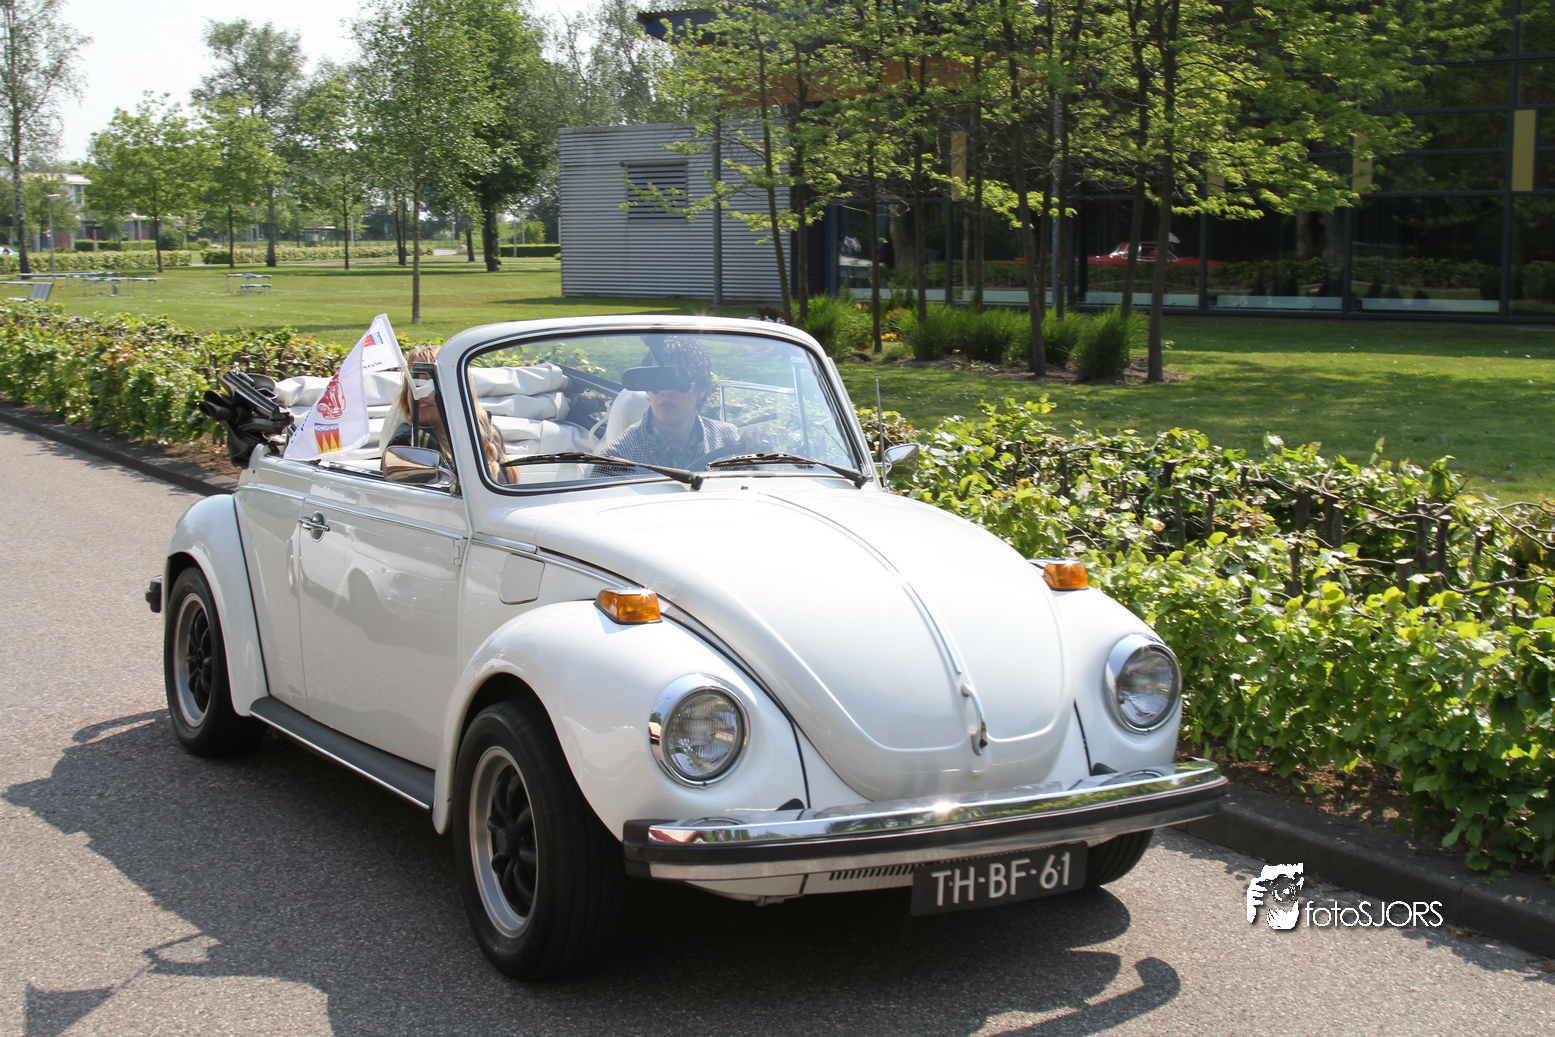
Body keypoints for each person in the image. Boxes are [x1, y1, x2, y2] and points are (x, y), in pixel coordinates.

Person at [600, 335, 740, 469]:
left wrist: (750, 458)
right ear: (647, 388)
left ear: (702, 387)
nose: (666, 391)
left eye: (676, 380)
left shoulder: (730, 439)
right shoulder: (616, 460)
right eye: (657, 380)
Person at [381, 344, 514, 485]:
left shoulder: (488, 432)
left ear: (459, 388)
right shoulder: (408, 442)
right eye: (414, 384)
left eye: (433, 383)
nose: (421, 393)